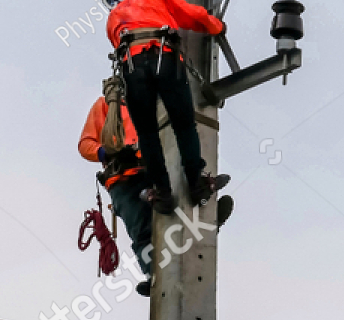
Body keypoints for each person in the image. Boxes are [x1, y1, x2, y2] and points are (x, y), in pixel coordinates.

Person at [78, 81, 232, 297]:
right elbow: (86, 145)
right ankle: (154, 273)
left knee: (178, 204)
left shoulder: (159, 102)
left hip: (155, 168)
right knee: (142, 230)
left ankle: (203, 222)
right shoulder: (107, 105)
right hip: (123, 179)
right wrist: (109, 153)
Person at [99, 0, 230, 216]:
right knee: (184, 124)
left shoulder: (112, 20)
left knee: (147, 134)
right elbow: (191, 14)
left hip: (132, 67)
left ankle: (161, 192)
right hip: (166, 58)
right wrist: (216, 26)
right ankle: (196, 183)